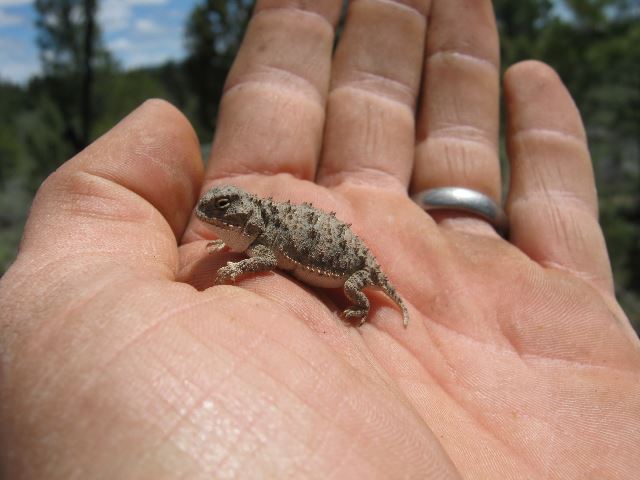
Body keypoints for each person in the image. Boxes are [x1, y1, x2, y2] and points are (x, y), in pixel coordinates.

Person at [1, 1, 638, 478]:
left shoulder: (262, 241)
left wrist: (323, 293)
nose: (212, 216)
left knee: (360, 288)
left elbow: (265, 257)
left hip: (342, 266)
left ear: (242, 216)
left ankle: (368, 304)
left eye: (223, 212)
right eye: (217, 212)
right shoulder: (253, 227)